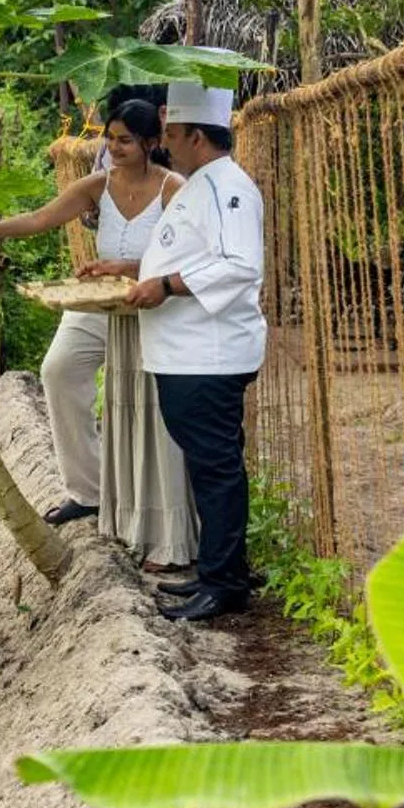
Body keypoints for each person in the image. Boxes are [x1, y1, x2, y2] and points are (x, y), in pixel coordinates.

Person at [0, 100, 186, 545]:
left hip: (150, 307)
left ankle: (151, 509)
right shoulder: (97, 185)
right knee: (58, 370)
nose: (113, 148)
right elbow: (42, 218)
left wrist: (128, 267)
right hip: (97, 303)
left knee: (144, 402)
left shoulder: (172, 188)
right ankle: (89, 491)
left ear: (150, 143)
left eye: (124, 140)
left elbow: (183, 257)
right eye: (110, 138)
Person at [131, 83, 267, 623]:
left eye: (170, 134)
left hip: (206, 354)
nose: (165, 144)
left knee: (216, 469)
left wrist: (164, 286)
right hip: (186, 352)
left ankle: (225, 582)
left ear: (194, 135)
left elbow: (238, 264)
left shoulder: (226, 188)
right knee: (211, 466)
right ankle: (219, 568)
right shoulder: (203, 184)